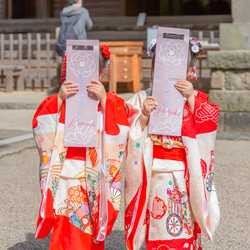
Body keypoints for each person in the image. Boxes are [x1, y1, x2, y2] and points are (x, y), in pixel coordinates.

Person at [32, 45, 139, 249]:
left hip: (94, 173)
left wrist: (105, 100)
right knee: (65, 225)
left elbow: (125, 129)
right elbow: (42, 124)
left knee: (90, 224)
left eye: (91, 71)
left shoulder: (112, 102)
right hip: (66, 171)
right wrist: (60, 99)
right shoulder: (59, 100)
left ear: (101, 72)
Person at [124, 37, 220, 249]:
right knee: (158, 223)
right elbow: (125, 126)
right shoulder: (143, 99)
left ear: (189, 69)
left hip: (184, 172)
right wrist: (143, 116)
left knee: (183, 220)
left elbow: (209, 121)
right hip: (154, 172)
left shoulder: (195, 97)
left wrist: (191, 100)